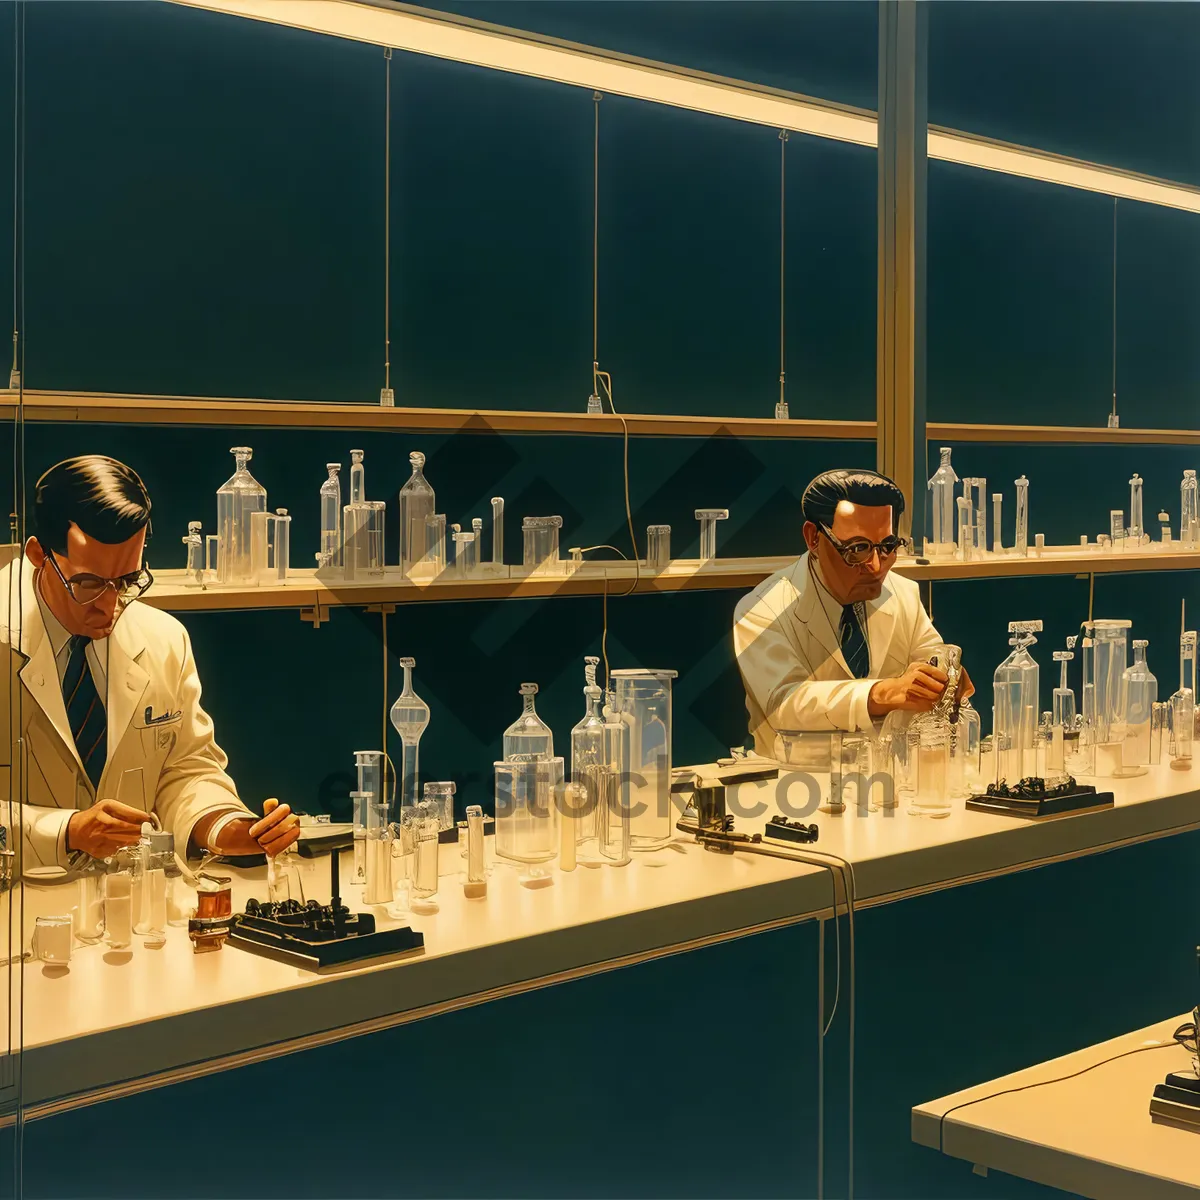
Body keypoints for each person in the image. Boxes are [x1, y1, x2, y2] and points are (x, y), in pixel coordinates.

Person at [0, 455, 299, 871]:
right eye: (87, 583)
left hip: (132, 908)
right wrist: (65, 830)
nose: (109, 605)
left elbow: (186, 768)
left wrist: (227, 828)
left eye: (126, 581)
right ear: (38, 555)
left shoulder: (162, 639)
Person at [733, 468, 972, 758]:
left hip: (889, 776)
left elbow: (931, 656)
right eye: (857, 548)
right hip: (797, 780)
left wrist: (943, 678)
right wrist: (880, 693)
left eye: (887, 546)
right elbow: (785, 704)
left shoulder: (904, 593)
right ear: (813, 538)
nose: (875, 566)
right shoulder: (762, 608)